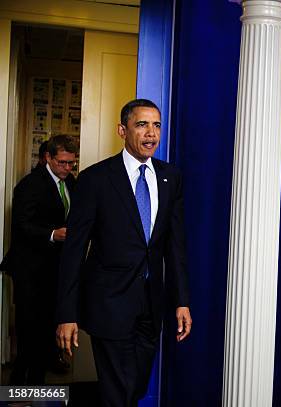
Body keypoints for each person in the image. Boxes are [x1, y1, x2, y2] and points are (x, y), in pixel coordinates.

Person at [56, 99, 192, 406]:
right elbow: (74, 252)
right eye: (141, 124)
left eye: (156, 125)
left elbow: (176, 246)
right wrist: (66, 313)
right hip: (109, 303)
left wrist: (182, 300)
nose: (151, 133)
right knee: (118, 392)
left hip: (151, 306)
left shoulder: (171, 178)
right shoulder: (95, 179)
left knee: (135, 388)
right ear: (122, 130)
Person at [4, 135, 77, 384]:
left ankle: (37, 384)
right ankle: (17, 388)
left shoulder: (71, 183)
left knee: (46, 329)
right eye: (62, 163)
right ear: (48, 157)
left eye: (71, 163)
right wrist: (53, 234)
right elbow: (22, 225)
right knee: (29, 332)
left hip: (53, 269)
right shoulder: (30, 185)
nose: (67, 168)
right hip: (29, 270)